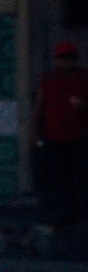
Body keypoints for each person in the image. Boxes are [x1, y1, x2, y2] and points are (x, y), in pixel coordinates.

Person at [35, 40, 88, 223]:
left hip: (79, 138)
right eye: (62, 58)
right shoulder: (48, 79)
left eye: (70, 58)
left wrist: (83, 105)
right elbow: (39, 107)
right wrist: (35, 134)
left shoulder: (83, 78)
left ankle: (80, 214)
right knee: (58, 178)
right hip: (54, 138)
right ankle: (63, 214)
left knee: (80, 178)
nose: (66, 62)